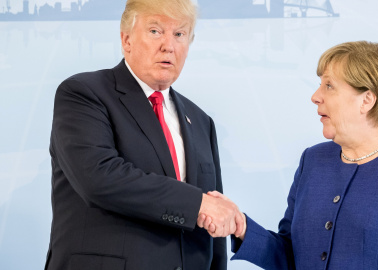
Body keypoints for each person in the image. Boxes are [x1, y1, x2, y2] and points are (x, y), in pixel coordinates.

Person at [199, 41, 378, 269]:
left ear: (367, 100)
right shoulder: (313, 161)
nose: (315, 96)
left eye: (329, 86)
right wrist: (241, 226)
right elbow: (292, 256)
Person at [44, 0, 244, 269]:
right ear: (126, 39)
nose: (168, 46)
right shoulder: (84, 93)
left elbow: (214, 227)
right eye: (155, 31)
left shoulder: (201, 121)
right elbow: (99, 178)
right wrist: (197, 204)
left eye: (179, 34)